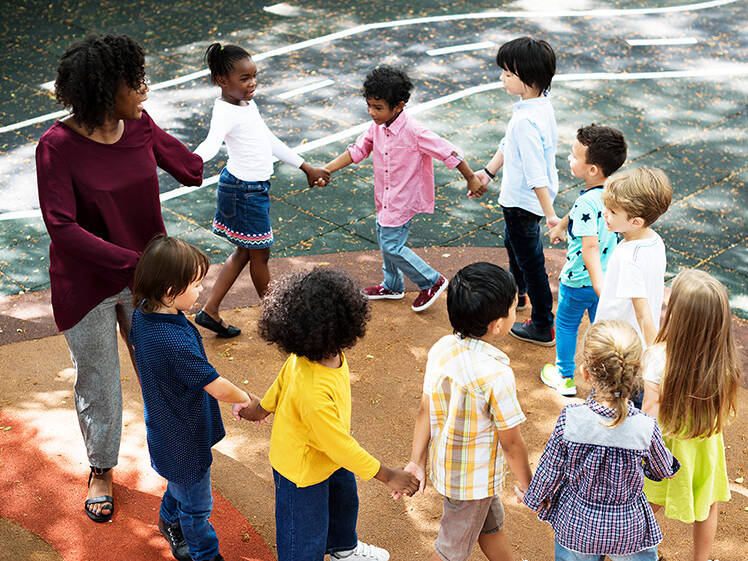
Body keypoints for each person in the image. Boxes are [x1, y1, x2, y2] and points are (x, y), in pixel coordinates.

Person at [35, 34, 204, 523]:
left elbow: (191, 171)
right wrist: (137, 263)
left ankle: (176, 453)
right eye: (136, 84)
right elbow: (62, 228)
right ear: (108, 91)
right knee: (101, 380)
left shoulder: (140, 125)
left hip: (143, 280)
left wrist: (227, 135)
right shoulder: (57, 146)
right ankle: (102, 469)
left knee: (163, 366)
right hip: (86, 283)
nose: (145, 91)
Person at [238, 268, 420, 561]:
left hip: (329, 458)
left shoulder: (314, 356)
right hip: (301, 471)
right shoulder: (313, 391)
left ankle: (343, 549)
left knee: (344, 506)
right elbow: (339, 445)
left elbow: (280, 387)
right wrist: (388, 476)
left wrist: (259, 409)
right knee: (303, 534)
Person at [319, 65, 485, 312]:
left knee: (392, 246)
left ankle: (431, 280)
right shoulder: (377, 127)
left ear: (399, 106)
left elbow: (448, 150)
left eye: (378, 108)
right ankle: (393, 284)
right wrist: (327, 169)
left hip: (403, 199)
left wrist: (470, 177)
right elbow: (358, 150)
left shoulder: (415, 131)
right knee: (384, 239)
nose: (371, 113)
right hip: (385, 198)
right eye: (369, 106)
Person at [193, 43, 329, 337]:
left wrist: (306, 167)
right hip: (243, 191)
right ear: (222, 81)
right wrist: (190, 161)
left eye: (254, 76)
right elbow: (211, 143)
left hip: (250, 188)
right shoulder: (225, 111)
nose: (252, 82)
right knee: (260, 255)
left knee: (245, 251)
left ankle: (210, 310)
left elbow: (268, 139)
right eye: (244, 78)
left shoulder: (246, 104)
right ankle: (276, 317)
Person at [129, 236, 251, 561]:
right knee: (197, 508)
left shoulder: (143, 314)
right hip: (183, 436)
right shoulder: (173, 343)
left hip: (168, 425)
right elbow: (216, 386)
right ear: (170, 292)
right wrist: (244, 399)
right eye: (196, 285)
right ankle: (205, 555)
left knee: (180, 484)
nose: (200, 291)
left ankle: (169, 519)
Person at [401, 262, 533, 561]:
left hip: (456, 471)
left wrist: (416, 461)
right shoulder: (496, 375)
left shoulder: (442, 347)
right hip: (472, 481)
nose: (516, 312)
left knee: (490, 525)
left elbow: (425, 409)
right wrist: (530, 486)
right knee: (450, 550)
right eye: (513, 308)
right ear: (497, 325)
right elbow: (511, 443)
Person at [519, 320, 680, 561]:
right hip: (628, 529)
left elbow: (549, 470)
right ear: (636, 374)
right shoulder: (645, 428)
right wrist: (660, 470)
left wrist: (533, 497)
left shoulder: (570, 419)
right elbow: (663, 469)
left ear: (585, 372)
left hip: (576, 524)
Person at [641, 270, 741, 561]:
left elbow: (649, 410)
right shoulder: (722, 364)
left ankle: (629, 550)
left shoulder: (659, 357)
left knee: (645, 505)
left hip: (663, 448)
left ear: (679, 318)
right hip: (703, 449)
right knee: (708, 504)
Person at [476, 37, 559, 346]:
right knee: (514, 246)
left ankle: (541, 324)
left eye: (508, 74)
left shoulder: (525, 120)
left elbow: (535, 171)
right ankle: (519, 293)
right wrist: (488, 172)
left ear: (529, 80)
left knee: (530, 259)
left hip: (524, 202)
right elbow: (508, 145)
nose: (502, 78)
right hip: (524, 201)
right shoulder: (539, 105)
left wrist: (549, 213)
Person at [540, 124, 627, 396]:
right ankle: (605, 379)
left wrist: (594, 282)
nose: (569, 158)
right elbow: (579, 210)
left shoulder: (585, 203)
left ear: (592, 169)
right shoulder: (614, 192)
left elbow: (589, 247)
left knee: (566, 324)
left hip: (580, 281)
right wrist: (561, 226)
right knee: (601, 329)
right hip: (606, 279)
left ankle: (565, 376)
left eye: (574, 155)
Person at [595, 167, 673, 347]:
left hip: (618, 343)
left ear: (636, 222)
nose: (605, 213)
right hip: (629, 340)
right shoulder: (655, 241)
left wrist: (653, 355)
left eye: (613, 212)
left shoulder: (629, 257)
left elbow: (642, 314)